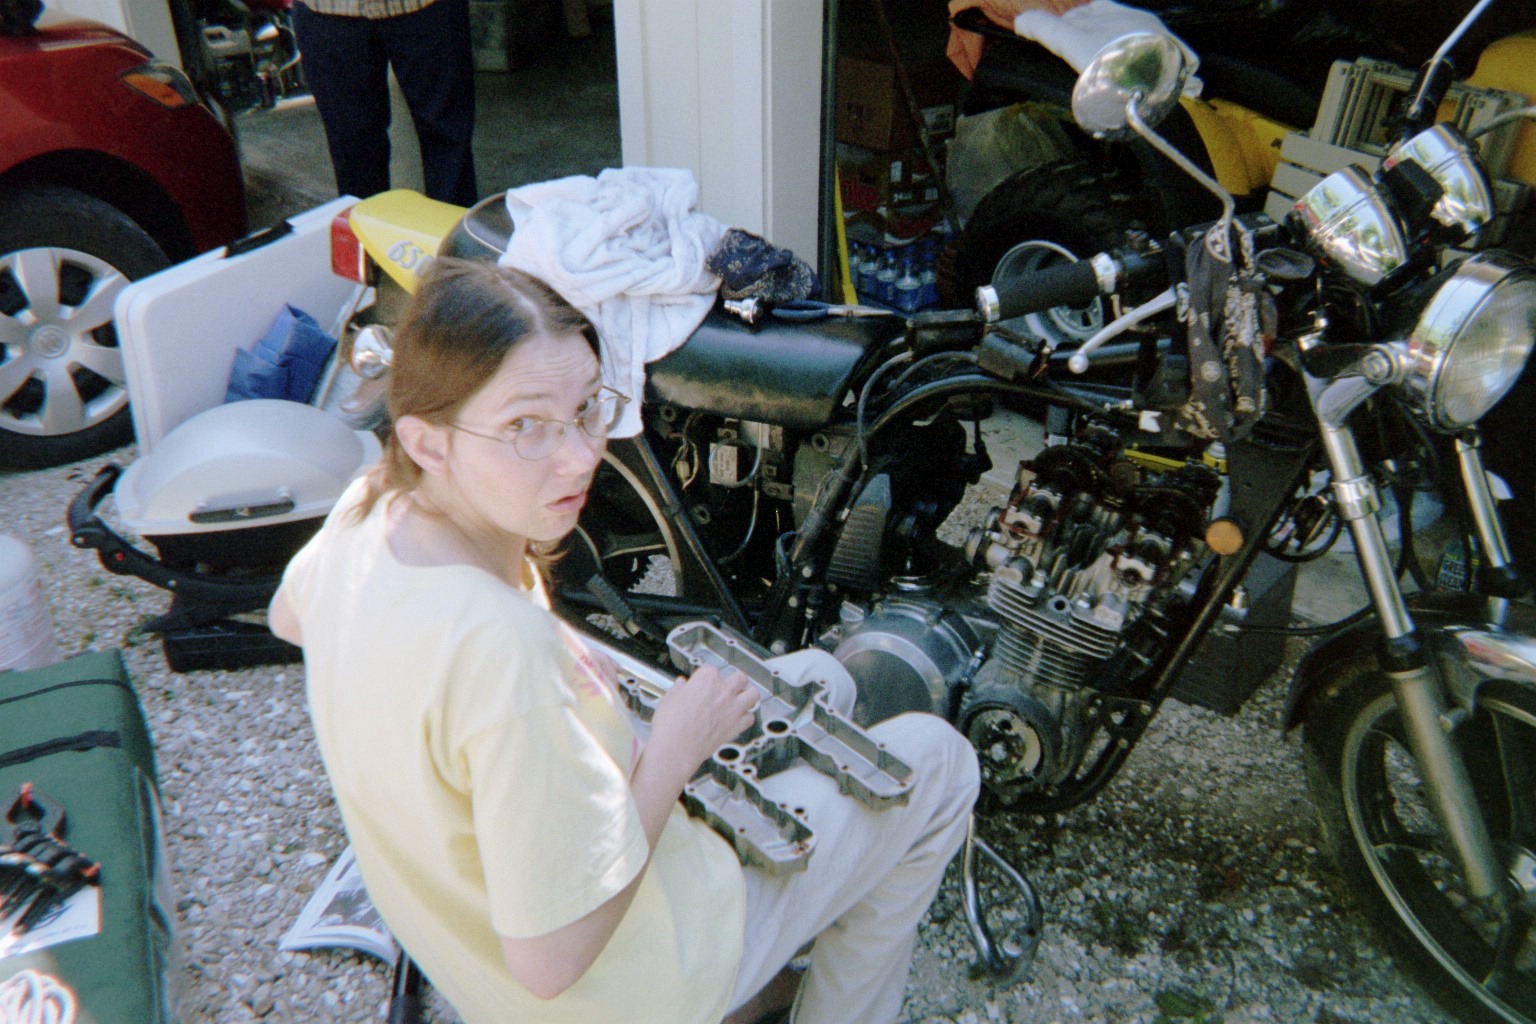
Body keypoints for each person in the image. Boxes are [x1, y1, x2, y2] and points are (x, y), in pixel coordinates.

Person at [269, 258, 980, 1024]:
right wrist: (671, 750)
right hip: (623, 988)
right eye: (523, 426)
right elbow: (551, 959)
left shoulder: (366, 513)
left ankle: (794, 949)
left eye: (586, 409)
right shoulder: (498, 651)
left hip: (468, 947)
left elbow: (290, 616)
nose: (580, 455)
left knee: (820, 680)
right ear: (431, 443)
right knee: (937, 760)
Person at [293, 0, 478, 206]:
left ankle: (455, 236)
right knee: (352, 151)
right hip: (327, 9)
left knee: (448, 143)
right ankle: (365, 235)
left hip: (424, 7)